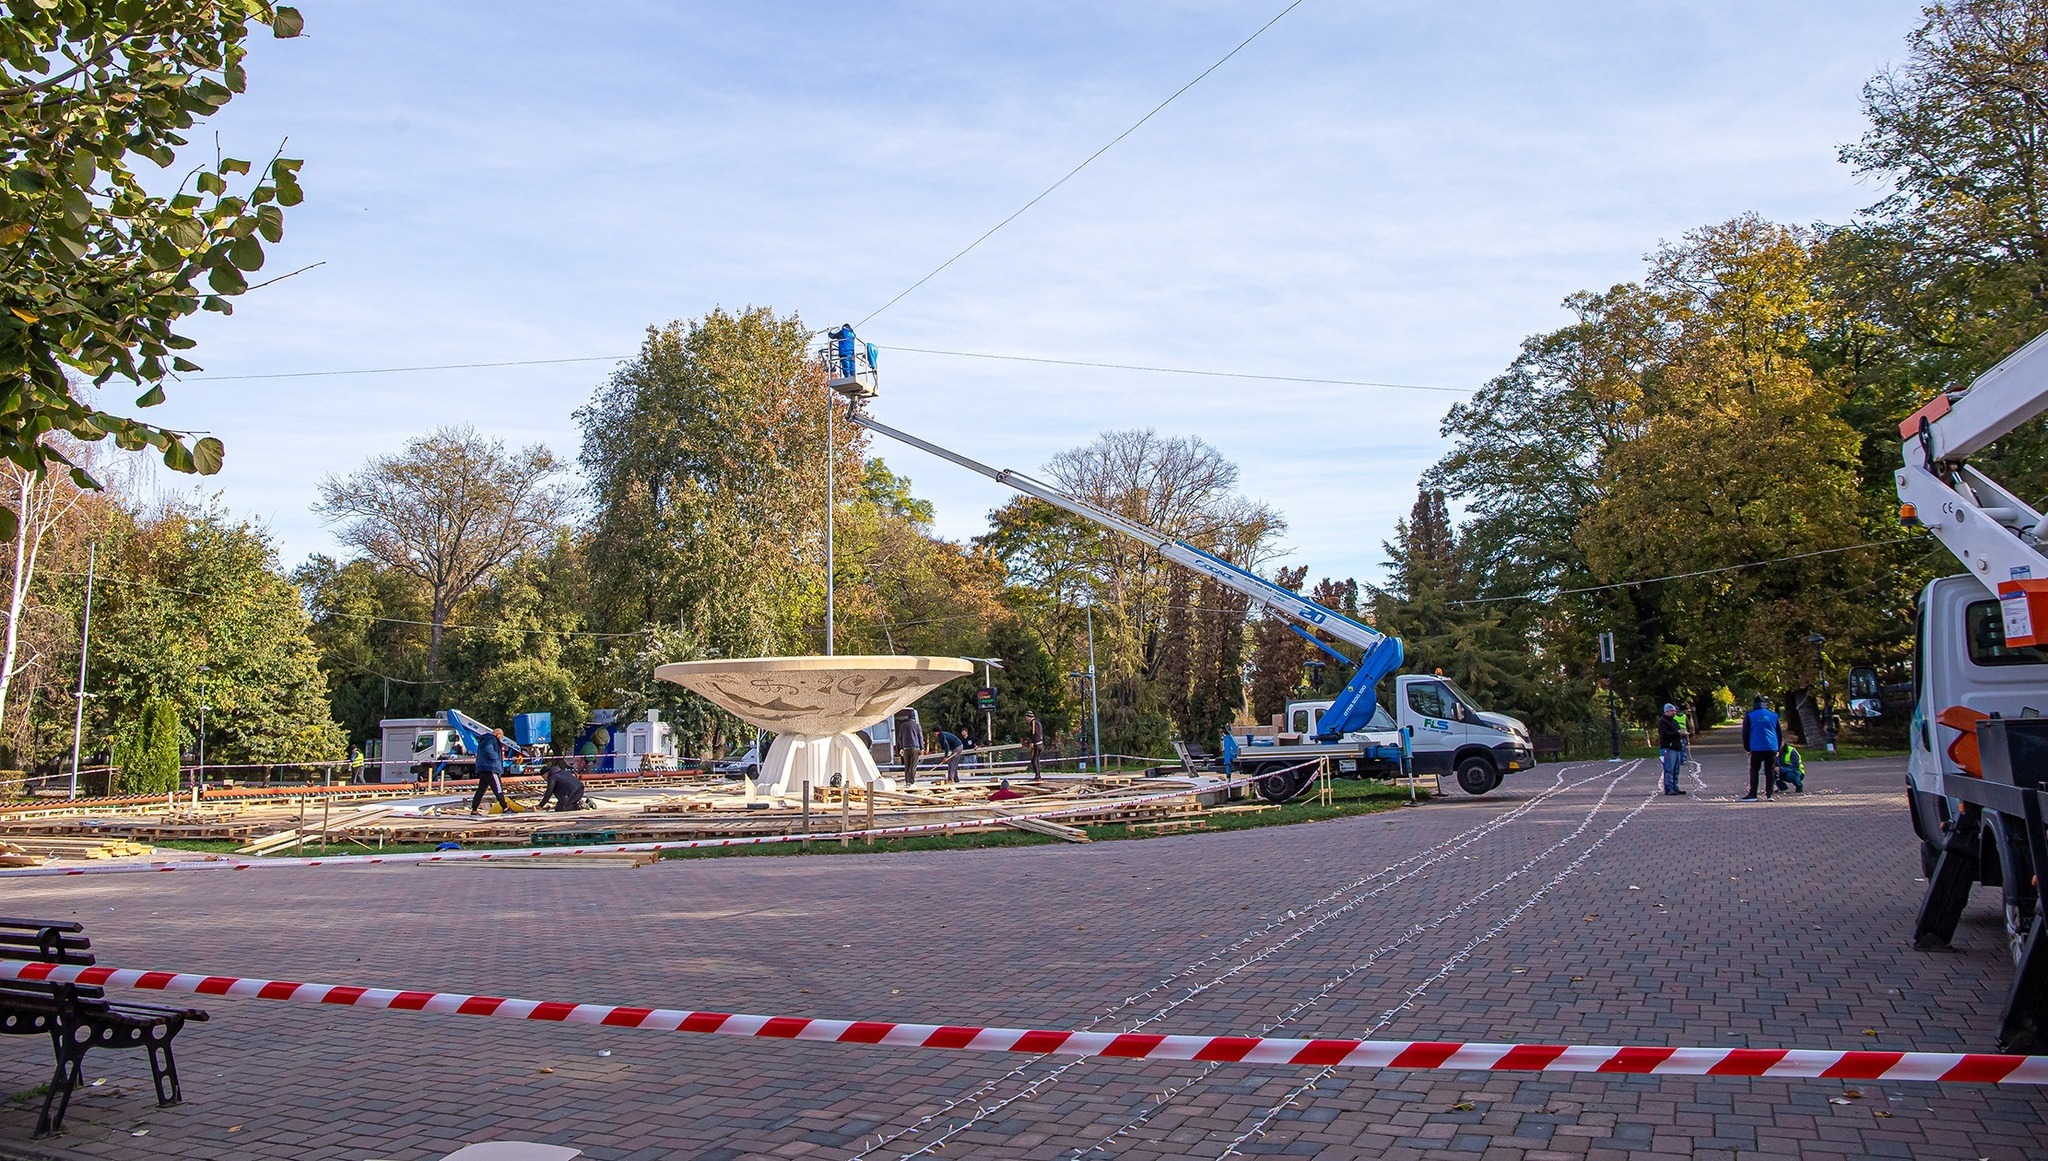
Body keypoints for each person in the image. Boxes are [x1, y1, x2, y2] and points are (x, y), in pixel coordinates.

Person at [1741, 696, 1780, 801]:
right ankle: (1770, 794)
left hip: (1756, 747)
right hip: (1771, 746)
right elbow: (1779, 733)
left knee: (1754, 770)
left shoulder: (1750, 715)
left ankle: (1753, 794)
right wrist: (1778, 748)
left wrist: (1747, 748)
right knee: (1770, 771)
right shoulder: (1774, 715)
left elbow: (1745, 733)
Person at [469, 726, 513, 815]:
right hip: (491, 768)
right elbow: (488, 749)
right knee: (498, 788)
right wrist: (495, 757)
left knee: (481, 790)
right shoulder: (492, 739)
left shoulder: (483, 740)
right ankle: (505, 807)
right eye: (501, 737)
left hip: (483, 768)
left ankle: (474, 810)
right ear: (498, 735)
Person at [1657, 704, 1689, 796]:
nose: (1674, 713)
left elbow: (1677, 732)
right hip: (1668, 748)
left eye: (1674, 711)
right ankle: (1669, 788)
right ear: (1667, 711)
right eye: (1672, 711)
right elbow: (1664, 734)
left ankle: (1675, 787)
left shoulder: (1674, 722)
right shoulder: (1662, 722)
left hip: (1677, 747)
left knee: (1676, 769)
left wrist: (1682, 734)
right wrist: (1677, 733)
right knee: (1669, 769)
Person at [895, 708, 925, 785]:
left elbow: (900, 738)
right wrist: (922, 748)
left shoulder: (903, 726)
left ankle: (907, 781)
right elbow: (920, 737)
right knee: (913, 765)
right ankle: (912, 782)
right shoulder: (917, 726)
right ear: (914, 718)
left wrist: (900, 748)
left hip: (905, 748)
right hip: (915, 748)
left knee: (907, 765)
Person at [1024, 710, 1044, 781]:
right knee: (1037, 760)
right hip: (1040, 743)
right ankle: (1038, 775)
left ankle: (1037, 776)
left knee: (1034, 760)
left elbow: (1034, 733)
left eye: (1026, 717)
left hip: (1036, 744)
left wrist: (1032, 742)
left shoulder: (1033, 722)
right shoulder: (1038, 722)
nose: (1026, 719)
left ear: (1029, 717)